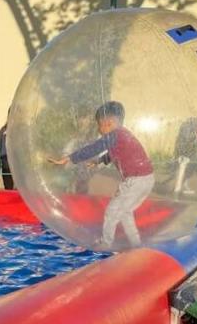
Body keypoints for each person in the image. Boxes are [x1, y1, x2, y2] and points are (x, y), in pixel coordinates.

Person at [49, 101, 154, 249]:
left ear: (109, 122)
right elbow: (115, 154)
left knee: (112, 211)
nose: (99, 130)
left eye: (100, 125)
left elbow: (94, 148)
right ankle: (136, 245)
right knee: (124, 212)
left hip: (135, 180)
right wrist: (99, 161)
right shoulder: (123, 135)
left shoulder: (115, 135)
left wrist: (70, 158)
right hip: (146, 179)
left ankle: (106, 244)